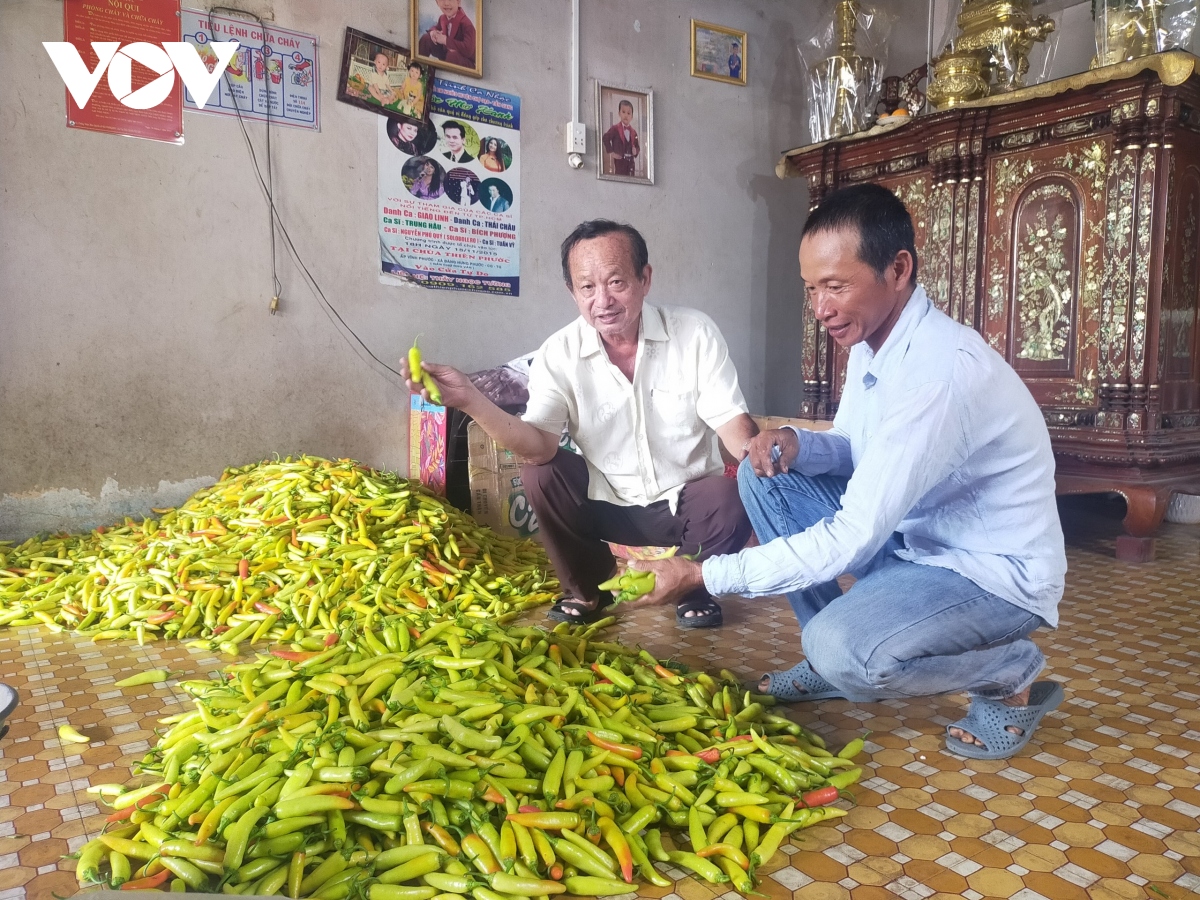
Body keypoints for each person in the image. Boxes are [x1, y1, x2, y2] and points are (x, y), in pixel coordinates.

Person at [627, 184, 1068, 760]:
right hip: (916, 544)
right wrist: (799, 447)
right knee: (764, 475)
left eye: (836, 286)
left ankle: (1008, 672)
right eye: (812, 289)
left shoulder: (939, 375)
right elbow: (860, 450)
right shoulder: (875, 343)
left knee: (845, 650)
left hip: (989, 576)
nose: (820, 308)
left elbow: (852, 536)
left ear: (898, 269)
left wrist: (701, 576)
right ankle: (827, 657)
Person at [404, 219, 759, 629]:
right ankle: (589, 588)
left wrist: (757, 456)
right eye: (587, 287)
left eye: (616, 282)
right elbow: (538, 446)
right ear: (573, 293)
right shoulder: (559, 353)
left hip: (686, 503)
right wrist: (469, 399)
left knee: (734, 495)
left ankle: (692, 587)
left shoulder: (694, 333)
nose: (603, 300)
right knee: (542, 473)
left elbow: (731, 421)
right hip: (604, 500)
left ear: (645, 278)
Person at [418, 0, 477, 70]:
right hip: (446, 54)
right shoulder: (442, 18)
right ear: (437, 2)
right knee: (426, 38)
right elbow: (436, 27)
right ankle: (418, 68)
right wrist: (433, 32)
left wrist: (446, 41)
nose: (446, 3)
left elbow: (468, 50)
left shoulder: (466, 24)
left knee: (452, 55)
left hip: (464, 61)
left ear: (458, 1)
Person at [602, 100, 639, 177]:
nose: (626, 115)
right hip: (620, 162)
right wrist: (611, 152)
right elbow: (605, 138)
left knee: (631, 180)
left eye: (629, 113)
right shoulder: (615, 129)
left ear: (632, 116)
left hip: (631, 163)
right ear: (619, 113)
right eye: (623, 112)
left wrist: (635, 151)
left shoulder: (633, 132)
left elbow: (637, 146)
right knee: (620, 178)